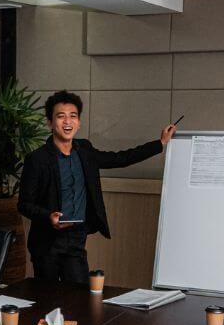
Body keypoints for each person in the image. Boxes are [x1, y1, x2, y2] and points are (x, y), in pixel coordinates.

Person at [18, 90, 177, 283]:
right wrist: (48, 216)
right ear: (50, 122)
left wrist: (159, 143)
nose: (67, 122)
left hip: (76, 237)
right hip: (46, 242)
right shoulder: (38, 159)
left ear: (79, 122)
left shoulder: (85, 150)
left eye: (73, 116)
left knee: (78, 298)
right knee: (48, 300)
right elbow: (24, 204)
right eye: (61, 116)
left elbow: (121, 158)